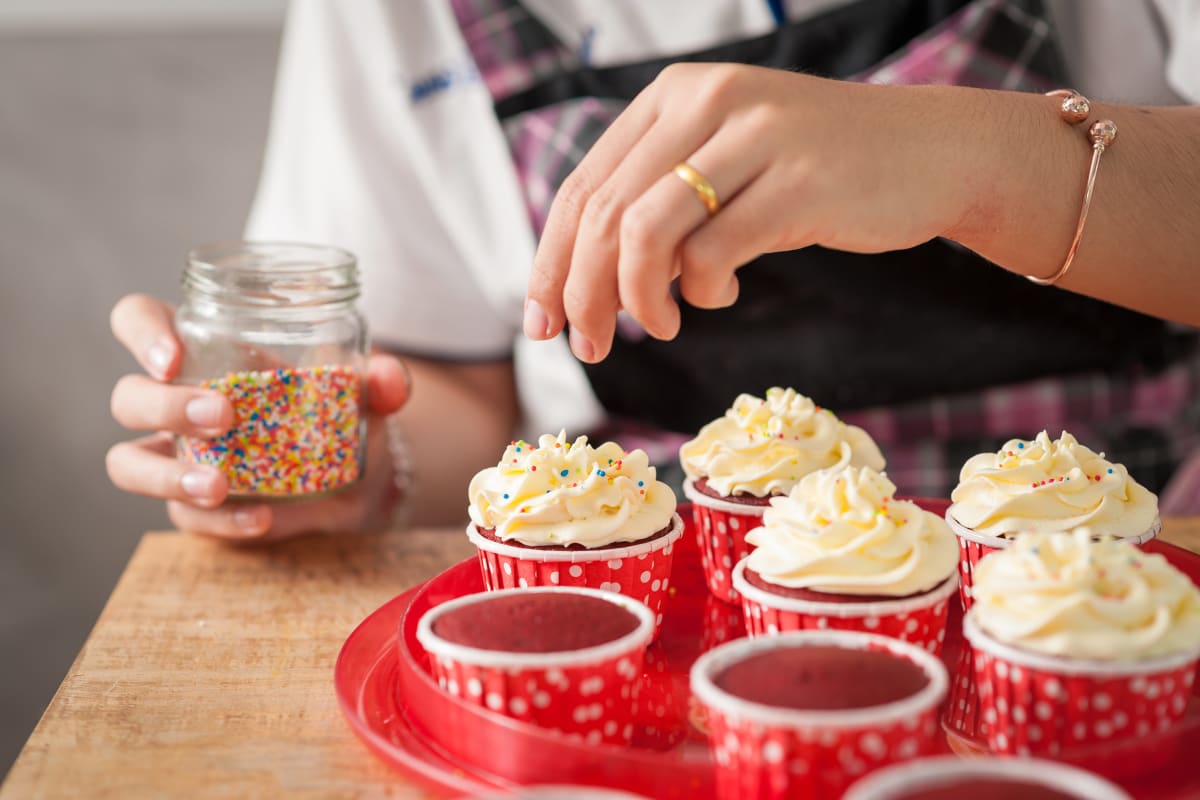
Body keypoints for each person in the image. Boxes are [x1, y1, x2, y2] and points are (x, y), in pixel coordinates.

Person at [107, 0, 1200, 542]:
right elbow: (460, 391)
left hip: (1124, 545)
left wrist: (974, 160)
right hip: (660, 580)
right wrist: (364, 458)